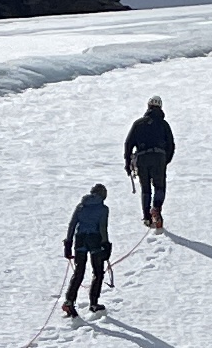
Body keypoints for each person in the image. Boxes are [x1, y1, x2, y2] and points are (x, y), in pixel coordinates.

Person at [62, 182, 113, 316]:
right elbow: (103, 228)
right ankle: (94, 303)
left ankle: (69, 300)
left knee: (79, 272)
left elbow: (72, 225)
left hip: (80, 240)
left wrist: (68, 244)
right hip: (95, 240)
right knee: (98, 272)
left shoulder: (81, 206)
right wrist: (106, 245)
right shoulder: (103, 209)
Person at [124, 96, 175, 230]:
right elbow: (171, 145)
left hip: (142, 158)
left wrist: (127, 162)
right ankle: (156, 209)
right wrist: (165, 160)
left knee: (145, 188)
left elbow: (128, 144)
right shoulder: (164, 125)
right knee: (160, 187)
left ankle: (147, 217)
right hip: (159, 158)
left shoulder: (138, 123)